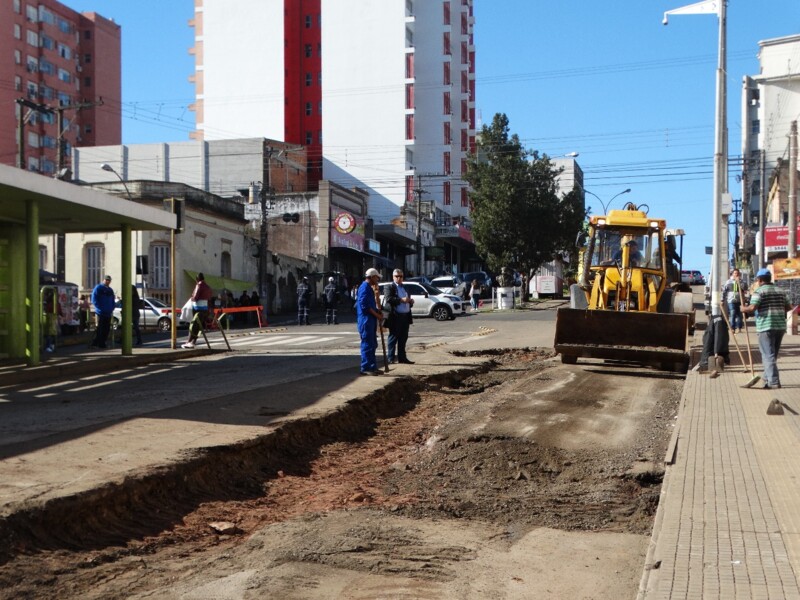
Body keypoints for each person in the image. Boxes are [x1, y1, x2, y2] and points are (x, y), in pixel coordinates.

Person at [741, 268, 792, 390]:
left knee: (767, 355)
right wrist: (777, 310)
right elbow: (789, 307)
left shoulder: (759, 291)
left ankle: (773, 381)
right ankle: (766, 377)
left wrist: (743, 309)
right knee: (772, 355)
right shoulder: (781, 291)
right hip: (780, 326)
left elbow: (753, 308)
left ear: (759, 280)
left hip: (766, 325)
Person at [383, 269, 414, 364]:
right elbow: (389, 299)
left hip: (405, 316)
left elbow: (406, 301)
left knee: (403, 338)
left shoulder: (404, 288)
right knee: (393, 337)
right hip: (396, 316)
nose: (399, 278)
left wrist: (410, 302)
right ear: (393, 277)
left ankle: (402, 357)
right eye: (397, 276)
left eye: (401, 276)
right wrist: (401, 300)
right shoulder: (389, 287)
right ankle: (391, 358)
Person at [356, 268, 383, 375]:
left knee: (372, 344)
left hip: (370, 320)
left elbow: (371, 305)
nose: (377, 280)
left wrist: (377, 312)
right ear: (371, 277)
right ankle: (366, 367)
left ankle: (372, 367)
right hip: (366, 320)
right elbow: (365, 306)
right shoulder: (364, 288)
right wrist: (377, 315)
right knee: (367, 344)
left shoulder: (369, 288)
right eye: (376, 277)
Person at [182, 272, 213, 349]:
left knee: (193, 325)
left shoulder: (199, 285)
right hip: (205, 309)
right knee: (199, 326)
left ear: (197, 279)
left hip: (197, 309)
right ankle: (193, 342)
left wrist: (192, 298)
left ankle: (189, 341)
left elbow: (195, 297)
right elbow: (209, 298)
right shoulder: (207, 286)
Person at [90, 275, 115, 349]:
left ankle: (101, 342)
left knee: (106, 329)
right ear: (103, 280)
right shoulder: (98, 288)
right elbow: (94, 299)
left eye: (109, 280)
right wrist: (99, 308)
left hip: (108, 312)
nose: (107, 281)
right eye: (106, 280)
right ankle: (100, 343)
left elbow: (112, 300)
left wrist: (112, 308)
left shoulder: (110, 290)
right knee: (100, 328)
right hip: (101, 312)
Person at [722, 268, 748, 333]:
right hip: (731, 300)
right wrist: (722, 299)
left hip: (740, 300)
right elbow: (724, 291)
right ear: (732, 274)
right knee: (732, 313)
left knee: (740, 314)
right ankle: (732, 328)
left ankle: (739, 327)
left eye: (737, 273)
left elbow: (745, 288)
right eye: (735, 273)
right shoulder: (728, 282)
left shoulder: (742, 282)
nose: (736, 274)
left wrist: (739, 282)